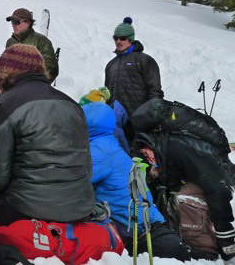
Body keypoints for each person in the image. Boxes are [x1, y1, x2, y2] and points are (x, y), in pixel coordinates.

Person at [0, 44, 94, 226]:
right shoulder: (73, 105)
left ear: (5, 75)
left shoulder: (5, 105)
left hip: (25, 210)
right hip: (79, 210)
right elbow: (87, 168)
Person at [81, 94, 189, 260]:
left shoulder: (99, 152)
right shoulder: (111, 145)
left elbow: (71, 182)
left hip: (142, 236)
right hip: (154, 228)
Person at [132, 98, 235, 262]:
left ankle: (205, 247)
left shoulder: (180, 149)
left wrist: (227, 242)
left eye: (147, 154)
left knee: (184, 201)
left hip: (217, 172)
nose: (148, 159)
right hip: (200, 174)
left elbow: (217, 190)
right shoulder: (156, 145)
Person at [104, 16, 163, 141]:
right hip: (117, 122)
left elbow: (155, 90)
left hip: (139, 120)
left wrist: (152, 115)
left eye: (123, 38)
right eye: (116, 38)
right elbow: (107, 93)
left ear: (130, 39)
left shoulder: (144, 60)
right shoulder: (111, 65)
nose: (118, 41)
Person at [4, 8, 58, 82]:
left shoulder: (41, 41)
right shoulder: (10, 42)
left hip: (34, 87)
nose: (14, 25)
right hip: (14, 87)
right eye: (12, 22)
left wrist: (36, 84)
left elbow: (51, 69)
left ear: (28, 23)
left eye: (17, 22)